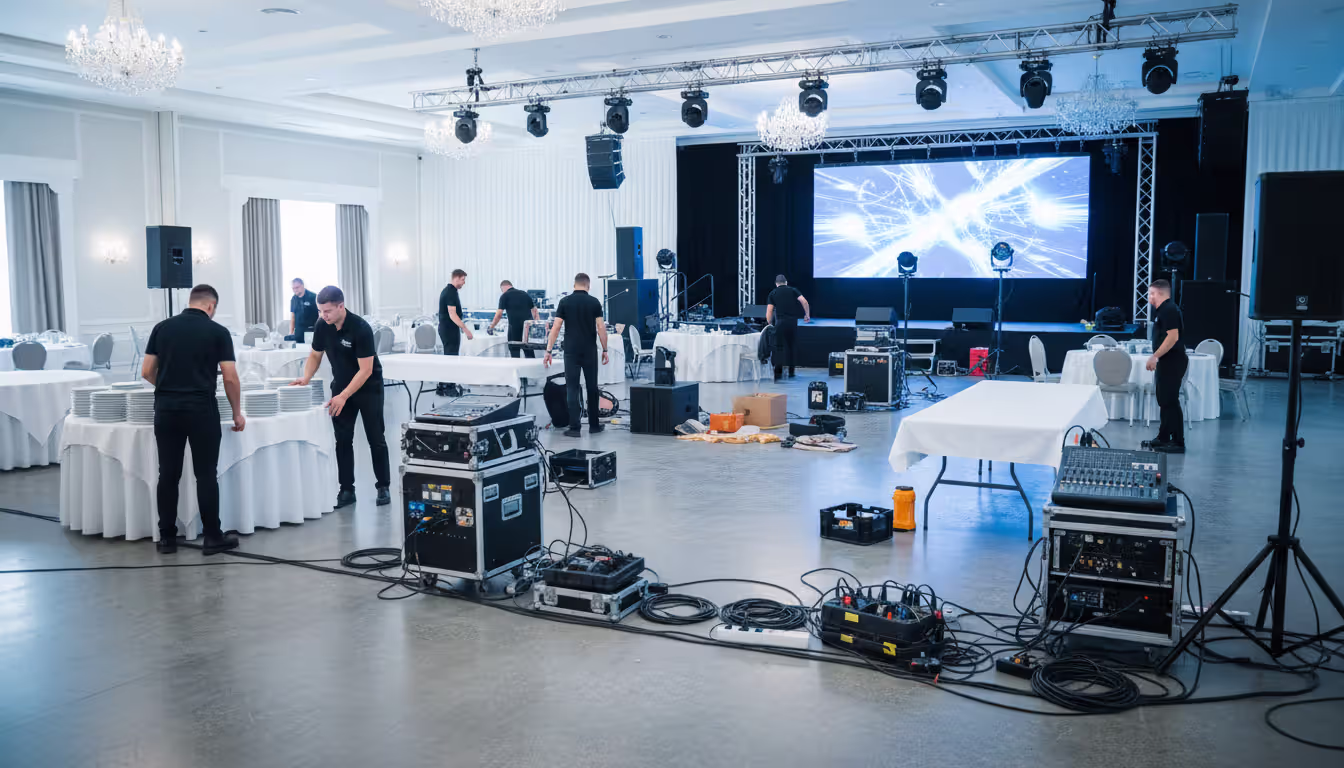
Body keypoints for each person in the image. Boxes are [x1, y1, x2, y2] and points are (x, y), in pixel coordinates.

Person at [141, 284, 244, 556]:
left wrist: (168, 388)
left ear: (191, 301)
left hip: (166, 409)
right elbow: (230, 377)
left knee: (168, 474)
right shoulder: (218, 332)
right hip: (201, 409)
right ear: (211, 306)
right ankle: (212, 537)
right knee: (206, 474)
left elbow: (147, 371)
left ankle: (167, 539)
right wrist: (237, 411)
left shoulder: (161, 328)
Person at [292, 286, 391, 508]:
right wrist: (306, 377)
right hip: (341, 387)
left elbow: (365, 370)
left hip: (369, 388)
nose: (323, 315)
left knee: (376, 438)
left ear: (341, 306)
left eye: (327, 311)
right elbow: (315, 355)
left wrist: (344, 395)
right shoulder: (322, 325)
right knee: (343, 440)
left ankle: (383, 486)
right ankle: (346, 490)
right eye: (320, 311)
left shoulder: (361, 328)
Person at [544, 273, 610, 438]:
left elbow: (556, 327)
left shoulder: (564, 302)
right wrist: (605, 349)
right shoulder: (594, 302)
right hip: (589, 350)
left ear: (574, 285)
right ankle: (594, 426)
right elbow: (601, 328)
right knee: (592, 387)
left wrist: (548, 350)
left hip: (571, 351)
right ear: (588, 285)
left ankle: (574, 428)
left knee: (572, 388)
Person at [1144, 279, 1187, 454]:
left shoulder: (1169, 310)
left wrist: (1155, 356)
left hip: (1172, 360)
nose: (1149, 297)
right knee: (1164, 400)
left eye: (1151, 294)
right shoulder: (1163, 311)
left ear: (1159, 294)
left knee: (1170, 401)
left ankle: (1177, 441)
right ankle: (1163, 437)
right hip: (1166, 361)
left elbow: (1173, 337)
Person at [765, 274, 811, 380]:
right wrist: (807, 314)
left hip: (780, 323)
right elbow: (804, 301)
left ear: (776, 284)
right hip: (792, 322)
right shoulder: (793, 290)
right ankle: (791, 371)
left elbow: (769, 310)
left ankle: (778, 371)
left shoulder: (773, 293)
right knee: (791, 346)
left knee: (779, 347)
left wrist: (769, 322)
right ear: (786, 282)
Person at [437, 269, 473, 396]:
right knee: (451, 358)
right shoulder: (451, 292)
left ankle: (443, 386)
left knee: (449, 357)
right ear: (456, 278)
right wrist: (465, 329)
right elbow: (452, 314)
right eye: (463, 279)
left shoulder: (448, 291)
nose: (464, 283)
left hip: (447, 328)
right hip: (449, 329)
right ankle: (449, 387)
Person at [489, 280, 541, 358]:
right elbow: (535, 311)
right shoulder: (525, 294)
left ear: (502, 288)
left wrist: (492, 326)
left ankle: (516, 365)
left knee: (515, 353)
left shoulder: (504, 296)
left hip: (514, 329)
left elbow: (499, 314)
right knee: (529, 352)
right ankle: (533, 366)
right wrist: (537, 325)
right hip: (526, 329)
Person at [286, 278, 319, 342]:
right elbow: (293, 316)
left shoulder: (313, 297)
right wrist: (291, 332)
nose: (295, 290)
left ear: (302, 286)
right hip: (299, 331)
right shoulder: (293, 299)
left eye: (297, 287)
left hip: (311, 331)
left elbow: (320, 315)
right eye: (293, 288)